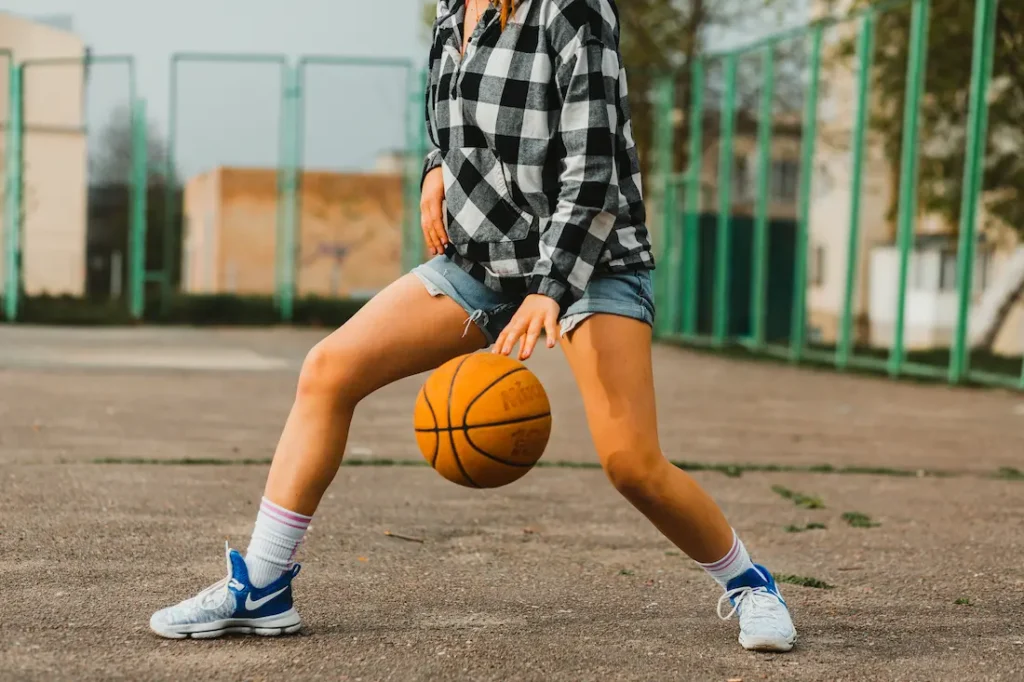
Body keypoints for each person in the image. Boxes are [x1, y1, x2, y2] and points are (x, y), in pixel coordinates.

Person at [150, 0, 797, 652]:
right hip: (483, 259)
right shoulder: (452, 10)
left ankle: (750, 584)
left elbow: (593, 163)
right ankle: (263, 586)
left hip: (591, 259)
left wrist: (551, 288)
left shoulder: (572, 10)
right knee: (328, 369)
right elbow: (445, 114)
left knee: (631, 463)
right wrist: (436, 168)